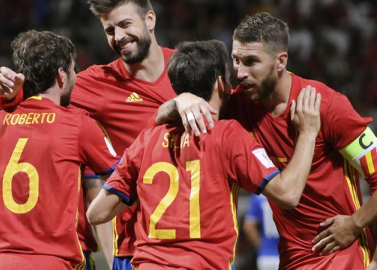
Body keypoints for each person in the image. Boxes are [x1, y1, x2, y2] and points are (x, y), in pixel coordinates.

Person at [0, 1, 215, 269]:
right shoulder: (96, 83)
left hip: (203, 240)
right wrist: (12, 95)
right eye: (109, 30)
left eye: (125, 24)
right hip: (137, 246)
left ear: (150, 20)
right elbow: (38, 106)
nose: (118, 37)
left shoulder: (191, 70)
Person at [157, 12, 377, 269]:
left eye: (251, 61)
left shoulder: (326, 106)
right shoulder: (239, 106)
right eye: (236, 60)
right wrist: (179, 101)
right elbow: (160, 119)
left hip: (341, 254)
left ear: (280, 61)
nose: (240, 73)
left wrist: (355, 223)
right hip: (291, 258)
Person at [87, 39, 321, 269]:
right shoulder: (227, 135)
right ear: (221, 84)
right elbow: (288, 195)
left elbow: (96, 213)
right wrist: (308, 133)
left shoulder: (146, 141)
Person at [0, 30, 120, 270]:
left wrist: (5, 239)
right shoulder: (78, 125)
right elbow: (122, 182)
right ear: (61, 75)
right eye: (73, 70)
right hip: (52, 262)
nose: (76, 77)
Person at [243, 194, 280, 270]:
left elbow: (249, 226)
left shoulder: (258, 197)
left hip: (266, 256)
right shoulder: (288, 194)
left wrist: (261, 246)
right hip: (287, 254)